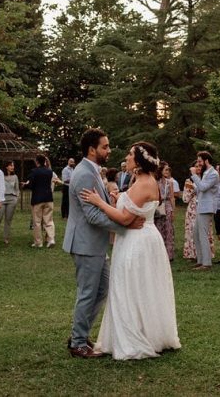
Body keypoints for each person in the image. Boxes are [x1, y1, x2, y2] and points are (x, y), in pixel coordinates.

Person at [79, 141, 181, 360]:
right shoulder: (141, 180)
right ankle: (147, 332)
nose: (127, 156)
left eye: (130, 154)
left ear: (139, 160)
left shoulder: (145, 182)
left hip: (138, 242)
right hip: (138, 238)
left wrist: (99, 202)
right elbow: (131, 209)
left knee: (131, 286)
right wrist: (118, 199)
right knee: (137, 286)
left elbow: (125, 218)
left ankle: (136, 337)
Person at [63, 128, 144, 359]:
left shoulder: (93, 171)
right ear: (92, 149)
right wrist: (125, 226)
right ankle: (78, 343)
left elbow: (101, 205)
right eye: (105, 147)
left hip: (95, 244)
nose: (109, 150)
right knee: (88, 292)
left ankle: (80, 334)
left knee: (102, 290)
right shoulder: (84, 174)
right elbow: (92, 215)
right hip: (85, 244)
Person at [190, 151, 219, 271]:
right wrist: (193, 187)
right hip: (201, 206)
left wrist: (194, 175)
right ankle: (200, 260)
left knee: (203, 235)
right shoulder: (206, 173)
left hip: (207, 208)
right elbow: (201, 189)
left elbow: (203, 187)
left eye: (200, 161)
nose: (199, 164)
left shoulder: (213, 173)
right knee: (196, 233)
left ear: (206, 161)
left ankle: (206, 263)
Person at [26, 155, 56, 248]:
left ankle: (38, 242)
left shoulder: (34, 171)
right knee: (49, 220)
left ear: (37, 162)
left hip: (37, 199)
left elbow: (31, 185)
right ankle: (51, 239)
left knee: (37, 221)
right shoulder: (49, 172)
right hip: (48, 198)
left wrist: (26, 185)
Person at [182, 177, 215, 261]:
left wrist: (196, 188)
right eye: (196, 166)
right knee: (192, 231)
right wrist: (193, 190)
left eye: (200, 166)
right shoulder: (188, 181)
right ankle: (192, 254)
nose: (198, 168)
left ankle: (205, 255)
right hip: (192, 210)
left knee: (204, 231)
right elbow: (185, 199)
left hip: (204, 208)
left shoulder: (207, 180)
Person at [155, 163, 176, 261]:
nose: (167, 172)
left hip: (167, 206)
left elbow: (172, 197)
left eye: (168, 170)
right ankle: (159, 254)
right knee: (159, 229)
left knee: (168, 230)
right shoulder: (156, 182)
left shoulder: (170, 182)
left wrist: (173, 210)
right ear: (161, 171)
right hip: (158, 206)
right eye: (166, 170)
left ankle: (169, 254)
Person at [1, 161, 20, 245]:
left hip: (12, 199)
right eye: (11, 165)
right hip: (2, 199)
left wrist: (16, 198)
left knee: (8, 219)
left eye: (13, 165)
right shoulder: (0, 176)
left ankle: (6, 238)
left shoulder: (15, 177)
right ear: (6, 166)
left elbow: (17, 189)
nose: (12, 167)